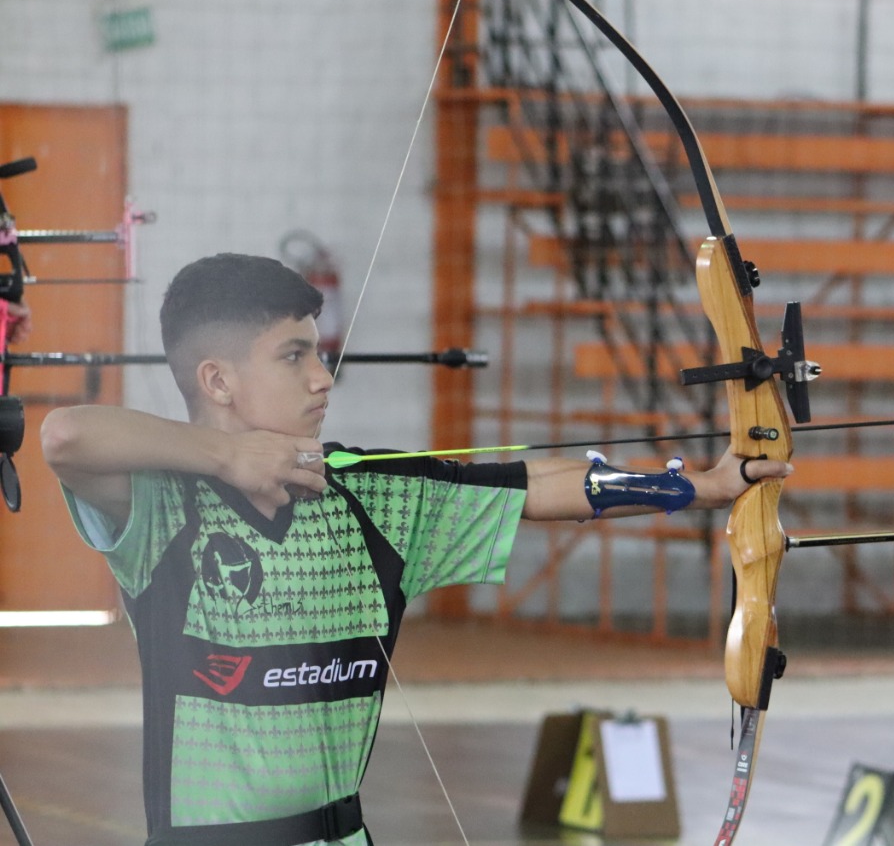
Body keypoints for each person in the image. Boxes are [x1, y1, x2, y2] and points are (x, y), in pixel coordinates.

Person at [40, 252, 791, 846]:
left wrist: (702, 485)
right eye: (293, 354)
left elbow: (536, 483)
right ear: (218, 380)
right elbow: (65, 436)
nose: (321, 377)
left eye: (319, 351)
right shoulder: (164, 506)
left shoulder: (377, 497)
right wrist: (228, 458)